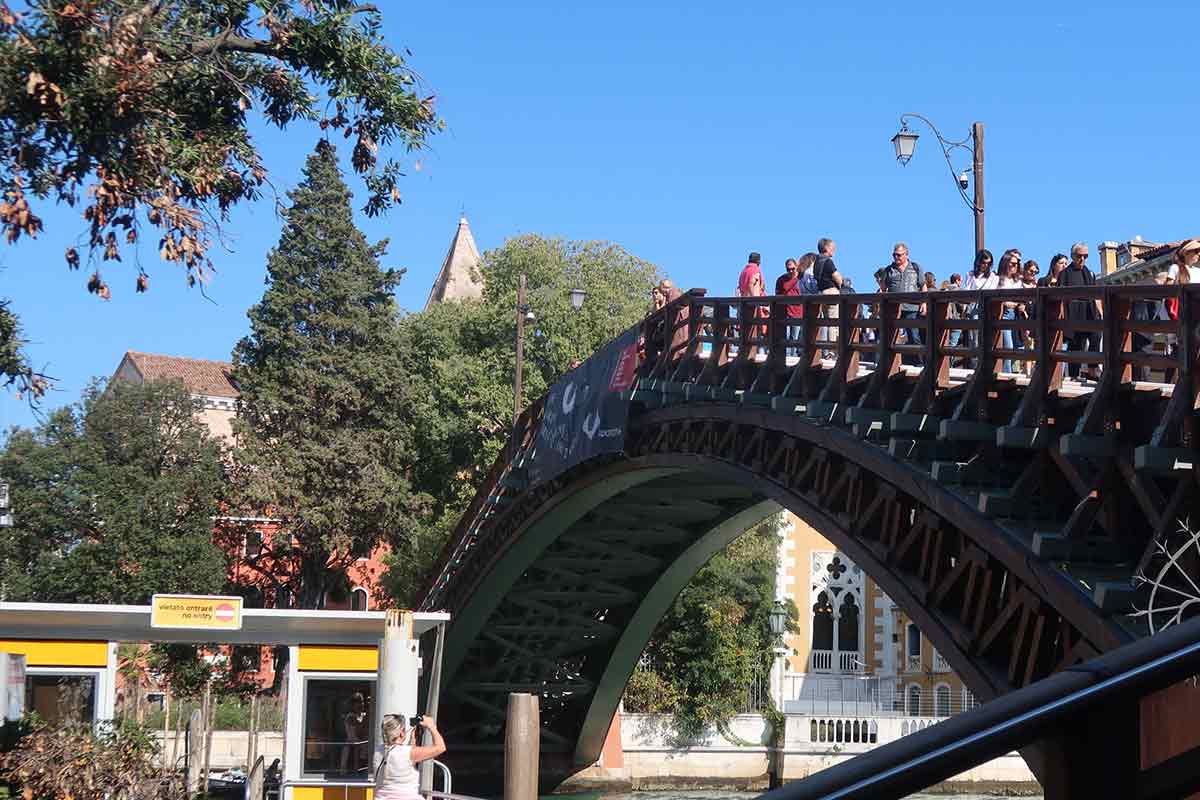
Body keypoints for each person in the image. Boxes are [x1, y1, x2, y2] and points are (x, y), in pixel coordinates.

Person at [373, 715, 446, 800]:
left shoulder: (378, 751)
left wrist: (412, 744)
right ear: (402, 733)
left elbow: (402, 763)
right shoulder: (408, 753)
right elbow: (441, 747)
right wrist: (432, 726)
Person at [1060, 242, 1103, 381]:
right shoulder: (1065, 273)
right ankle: (1073, 374)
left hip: (1089, 310)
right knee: (1075, 343)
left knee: (1096, 336)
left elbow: (1096, 295)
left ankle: (1092, 368)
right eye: (1079, 256)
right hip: (1073, 310)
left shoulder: (1089, 273)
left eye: (1086, 256)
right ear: (1073, 256)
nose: (1082, 259)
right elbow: (1060, 296)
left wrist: (1101, 313)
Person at [881, 242, 923, 363]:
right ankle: (889, 362)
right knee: (891, 335)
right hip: (894, 307)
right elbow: (883, 289)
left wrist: (924, 303)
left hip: (912, 307)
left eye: (899, 255)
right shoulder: (889, 270)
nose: (896, 257)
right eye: (894, 255)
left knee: (914, 336)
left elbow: (923, 286)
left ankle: (919, 362)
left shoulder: (915, 267)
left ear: (906, 254)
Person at [813, 238, 843, 349]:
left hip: (821, 292)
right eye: (832, 248)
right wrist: (842, 284)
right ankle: (833, 350)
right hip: (831, 291)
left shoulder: (816, 261)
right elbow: (836, 276)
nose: (834, 250)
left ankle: (826, 348)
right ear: (826, 248)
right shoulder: (828, 261)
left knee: (826, 321)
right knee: (833, 322)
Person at [998, 254, 1026, 374]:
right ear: (1005, 264)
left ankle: (1014, 372)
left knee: (1018, 346)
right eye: (1013, 264)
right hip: (1004, 313)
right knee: (1008, 346)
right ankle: (1006, 373)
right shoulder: (999, 279)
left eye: (1017, 264)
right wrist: (1006, 302)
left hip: (1016, 314)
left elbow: (1022, 297)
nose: (1015, 266)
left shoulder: (1018, 280)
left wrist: (1021, 304)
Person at [775, 258, 805, 355]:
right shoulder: (781, 280)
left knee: (795, 337)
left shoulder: (802, 279)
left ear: (796, 267)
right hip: (784, 311)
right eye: (788, 269)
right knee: (783, 336)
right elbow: (777, 295)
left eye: (792, 269)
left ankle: (793, 356)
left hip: (798, 312)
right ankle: (785, 357)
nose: (790, 271)